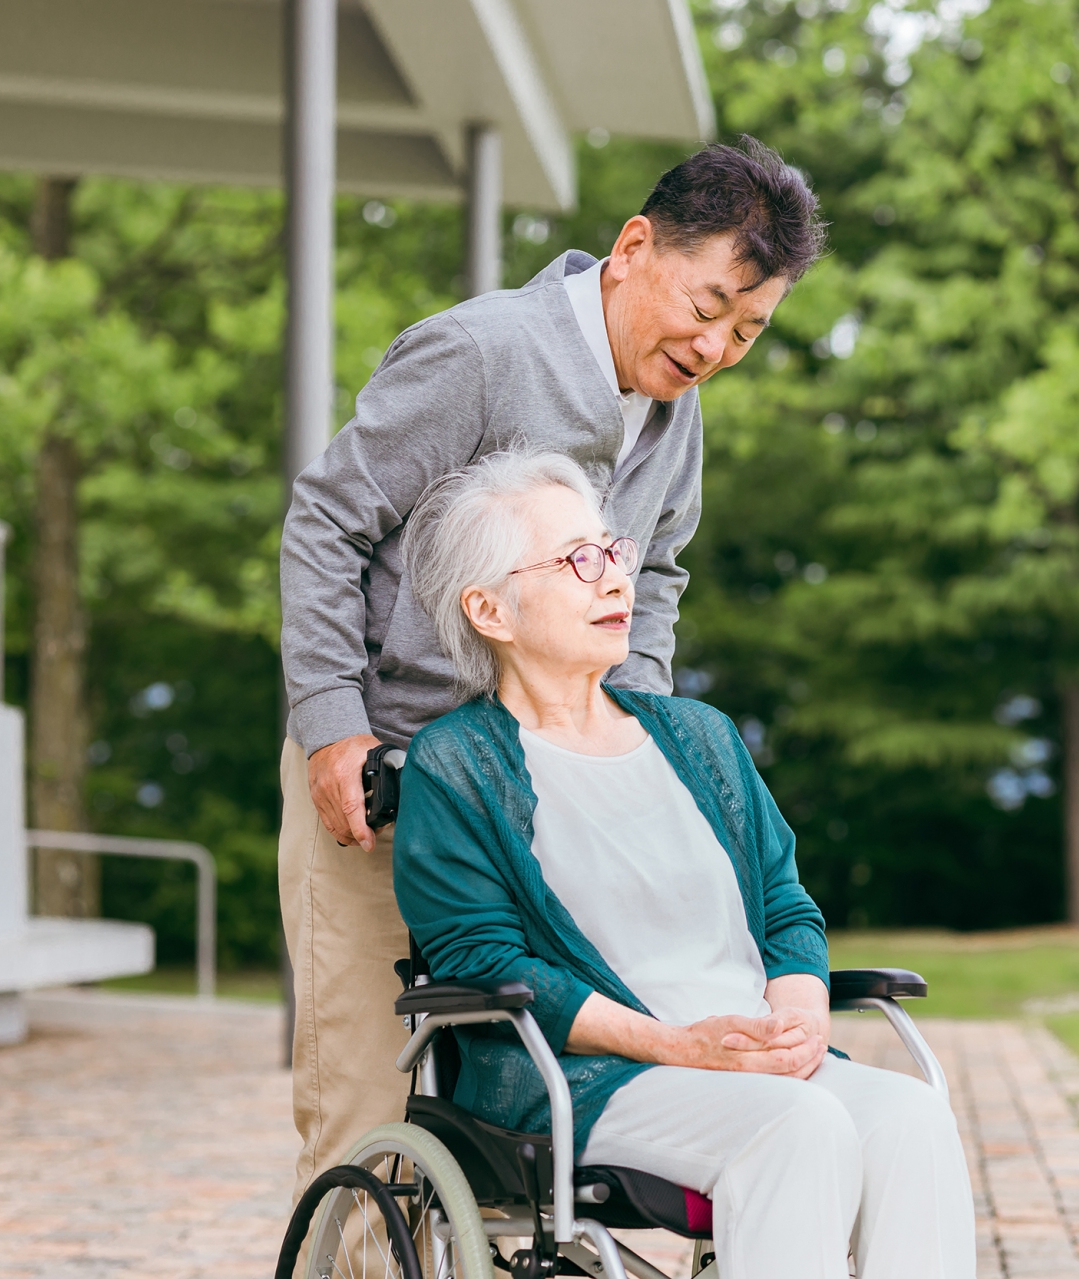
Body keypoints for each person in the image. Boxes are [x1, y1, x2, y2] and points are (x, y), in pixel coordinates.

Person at [277, 137, 827, 1197]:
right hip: (389, 783)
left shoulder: (677, 410)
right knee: (365, 1110)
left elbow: (655, 576)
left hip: (554, 806)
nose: (716, 346)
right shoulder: (481, 354)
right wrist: (332, 718)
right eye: (707, 307)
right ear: (632, 248)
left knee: (560, 1107)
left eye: (748, 329)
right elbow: (326, 522)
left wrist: (641, 750)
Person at [392, 451, 976, 1278]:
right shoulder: (457, 764)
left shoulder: (699, 737)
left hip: (746, 1061)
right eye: (577, 560)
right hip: (587, 1078)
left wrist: (800, 1022)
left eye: (613, 550)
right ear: (490, 609)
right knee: (797, 1127)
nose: (614, 580)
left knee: (911, 1115)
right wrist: (678, 1045)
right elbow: (484, 959)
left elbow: (784, 907)